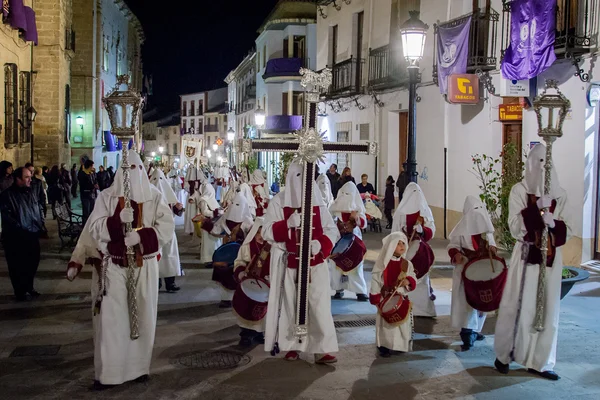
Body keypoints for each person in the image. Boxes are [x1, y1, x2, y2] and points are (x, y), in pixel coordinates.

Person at [70, 150, 173, 389]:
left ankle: (138, 368)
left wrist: (141, 237)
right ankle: (110, 374)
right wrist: (115, 223)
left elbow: (166, 228)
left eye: (137, 169)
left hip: (143, 266)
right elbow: (93, 226)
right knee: (112, 321)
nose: (132, 175)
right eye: (127, 170)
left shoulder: (155, 197)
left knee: (143, 319)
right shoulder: (106, 197)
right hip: (114, 267)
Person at [494, 144, 571, 381]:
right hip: (527, 256)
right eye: (537, 162)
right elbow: (514, 225)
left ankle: (540, 361)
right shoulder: (519, 191)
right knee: (518, 306)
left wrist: (554, 223)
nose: (541, 168)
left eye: (545, 163)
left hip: (550, 260)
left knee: (547, 310)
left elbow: (568, 227)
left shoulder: (561, 194)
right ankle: (505, 355)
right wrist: (534, 210)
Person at [263, 159, 340, 364]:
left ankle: (322, 348)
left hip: (316, 265)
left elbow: (332, 231)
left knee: (319, 306)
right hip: (291, 265)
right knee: (292, 306)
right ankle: (292, 345)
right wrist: (286, 224)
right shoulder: (279, 201)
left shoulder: (318, 203)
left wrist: (320, 246)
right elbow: (266, 231)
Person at [448, 196, 496, 350]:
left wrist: (492, 249)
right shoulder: (461, 230)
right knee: (467, 303)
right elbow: (453, 246)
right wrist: (457, 254)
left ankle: (476, 330)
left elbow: (492, 244)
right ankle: (468, 333)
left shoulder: (486, 230)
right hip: (466, 270)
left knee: (482, 300)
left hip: (482, 271)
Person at [392, 182, 436, 317]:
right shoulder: (400, 212)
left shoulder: (425, 211)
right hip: (405, 250)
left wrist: (423, 231)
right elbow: (395, 232)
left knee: (421, 281)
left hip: (420, 250)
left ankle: (424, 310)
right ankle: (404, 305)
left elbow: (431, 230)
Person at [370, 231, 417, 357]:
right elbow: (375, 280)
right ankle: (384, 346)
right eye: (398, 243)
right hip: (385, 300)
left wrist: (408, 281)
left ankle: (400, 346)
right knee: (386, 327)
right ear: (390, 246)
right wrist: (375, 297)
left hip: (401, 299)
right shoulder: (382, 264)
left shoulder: (407, 264)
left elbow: (413, 276)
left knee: (402, 326)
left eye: (403, 243)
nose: (402, 246)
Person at [0, 167, 44, 301]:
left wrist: (39, 223)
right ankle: (20, 291)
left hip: (32, 234)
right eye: (27, 177)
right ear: (18, 179)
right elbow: (8, 217)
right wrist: (21, 228)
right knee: (17, 265)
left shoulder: (30, 192)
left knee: (32, 262)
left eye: (30, 176)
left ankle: (29, 287)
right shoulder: (7, 195)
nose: (30, 179)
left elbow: (36, 208)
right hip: (16, 237)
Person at [211, 191, 253, 308]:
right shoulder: (226, 218)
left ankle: (238, 298)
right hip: (225, 252)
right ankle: (226, 299)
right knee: (224, 274)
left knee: (237, 274)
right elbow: (217, 230)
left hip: (240, 254)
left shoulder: (248, 222)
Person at [233, 217, 270, 346]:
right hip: (249, 284)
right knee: (247, 310)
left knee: (263, 312)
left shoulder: (273, 248)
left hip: (265, 286)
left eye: (263, 233)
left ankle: (260, 332)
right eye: (258, 233)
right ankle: (246, 336)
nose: (260, 236)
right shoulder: (247, 246)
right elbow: (239, 262)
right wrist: (241, 272)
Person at [329, 181, 369, 302]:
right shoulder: (334, 207)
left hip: (353, 243)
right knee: (336, 267)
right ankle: (338, 289)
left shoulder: (358, 208)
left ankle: (360, 291)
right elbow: (328, 221)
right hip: (338, 241)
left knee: (356, 266)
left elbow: (364, 223)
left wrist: (356, 219)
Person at [149, 168, 184, 292]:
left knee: (169, 257)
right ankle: (156, 282)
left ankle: (170, 283)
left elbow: (176, 210)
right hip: (153, 232)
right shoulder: (149, 196)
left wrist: (179, 208)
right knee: (155, 257)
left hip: (168, 232)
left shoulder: (168, 196)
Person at [192, 182, 223, 265]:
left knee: (215, 242)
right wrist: (215, 213)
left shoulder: (211, 199)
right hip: (207, 224)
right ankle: (208, 259)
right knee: (208, 243)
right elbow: (204, 212)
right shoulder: (203, 199)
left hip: (214, 223)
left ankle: (216, 257)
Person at [26, 163, 48, 234]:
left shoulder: (38, 181)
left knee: (40, 221)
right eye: (30, 171)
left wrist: (43, 205)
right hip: (27, 206)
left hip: (36, 204)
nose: (31, 172)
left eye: (32, 170)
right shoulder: (23, 182)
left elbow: (41, 195)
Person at [183, 164, 202, 235]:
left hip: (197, 197)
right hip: (191, 197)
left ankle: (196, 227)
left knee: (196, 212)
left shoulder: (199, 179)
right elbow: (186, 187)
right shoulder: (187, 180)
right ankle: (190, 228)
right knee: (190, 212)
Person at [78, 159, 98, 224]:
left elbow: (95, 181)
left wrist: (95, 184)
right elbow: (84, 185)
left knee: (92, 211)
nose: (93, 167)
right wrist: (93, 186)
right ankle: (85, 226)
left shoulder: (91, 173)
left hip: (92, 194)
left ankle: (90, 224)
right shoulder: (82, 174)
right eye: (92, 166)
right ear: (89, 166)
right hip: (85, 195)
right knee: (86, 211)